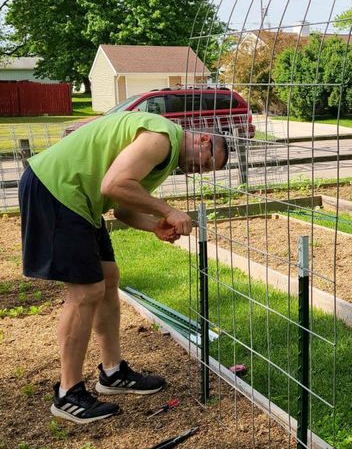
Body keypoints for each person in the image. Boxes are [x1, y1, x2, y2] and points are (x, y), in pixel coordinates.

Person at [18, 110, 229, 425]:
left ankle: (112, 372)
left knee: (108, 277)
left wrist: (155, 225)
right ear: (202, 140)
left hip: (80, 200)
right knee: (87, 291)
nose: (200, 171)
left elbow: (122, 207)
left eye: (207, 171)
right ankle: (67, 393)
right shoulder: (160, 138)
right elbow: (114, 185)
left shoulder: (164, 151)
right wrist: (168, 209)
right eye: (207, 163)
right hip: (56, 190)